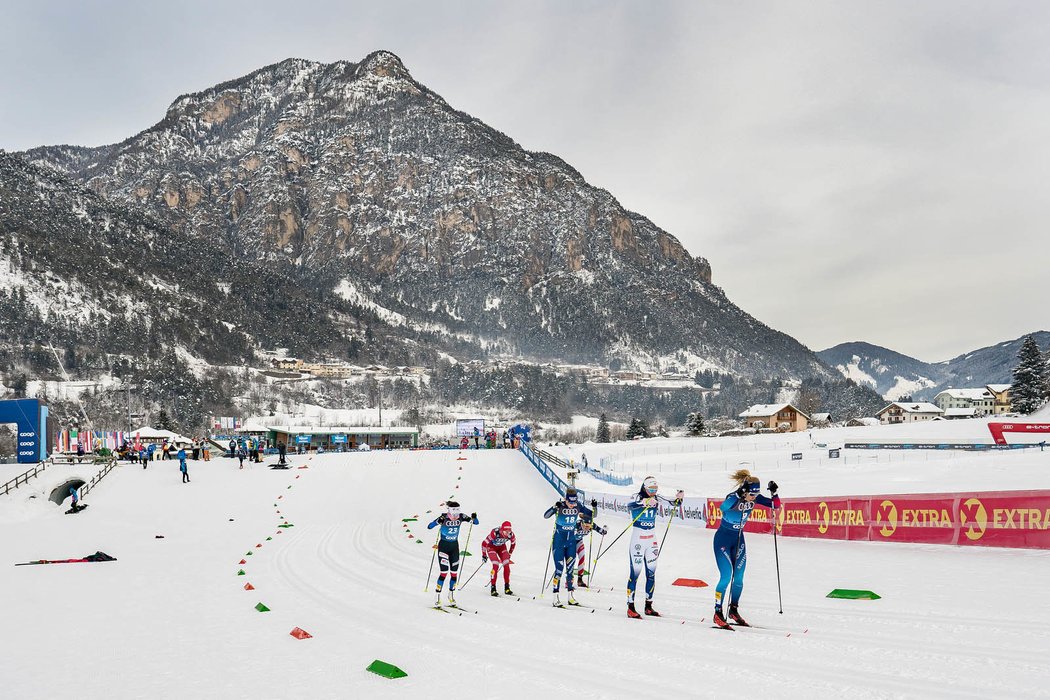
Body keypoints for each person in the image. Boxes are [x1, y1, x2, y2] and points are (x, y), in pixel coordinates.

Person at [711, 469, 780, 630]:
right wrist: (739, 494)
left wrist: (774, 493)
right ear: (744, 491)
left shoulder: (754, 498)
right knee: (726, 576)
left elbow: (775, 505)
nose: (754, 498)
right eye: (751, 495)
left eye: (756, 495)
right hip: (723, 540)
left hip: (739, 540)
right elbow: (723, 508)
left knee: (739, 578)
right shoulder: (733, 497)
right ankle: (717, 612)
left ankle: (734, 610)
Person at [624, 476, 684, 619]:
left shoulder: (657, 498)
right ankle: (630, 607)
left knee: (651, 574)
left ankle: (648, 606)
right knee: (635, 574)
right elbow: (630, 504)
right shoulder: (637, 496)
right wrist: (644, 501)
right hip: (638, 540)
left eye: (655, 490)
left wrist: (679, 499)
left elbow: (673, 503)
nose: (653, 492)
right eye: (651, 489)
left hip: (651, 540)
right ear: (644, 488)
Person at [542, 487, 594, 607]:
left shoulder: (578, 505)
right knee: (559, 570)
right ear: (565, 499)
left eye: (574, 502)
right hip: (559, 541)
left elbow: (591, 515)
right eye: (570, 502)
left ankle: (571, 597)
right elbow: (545, 516)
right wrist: (554, 507)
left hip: (571, 542)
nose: (572, 505)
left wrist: (594, 507)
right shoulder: (560, 505)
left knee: (570, 571)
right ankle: (555, 598)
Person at [426, 502, 478, 606]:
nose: (455, 515)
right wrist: (437, 521)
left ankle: (451, 595)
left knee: (454, 573)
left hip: (454, 547)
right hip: (443, 547)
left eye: (457, 511)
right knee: (444, 572)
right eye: (454, 512)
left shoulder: (462, 516)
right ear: (449, 510)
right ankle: (437, 596)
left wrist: (474, 517)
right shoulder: (443, 517)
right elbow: (429, 526)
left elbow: (475, 523)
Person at [481, 521, 517, 596]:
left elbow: (513, 544)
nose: (507, 533)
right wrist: (484, 555)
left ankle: (507, 588)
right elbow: (484, 543)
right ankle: (493, 588)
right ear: (502, 530)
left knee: (506, 565)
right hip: (491, 548)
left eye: (509, 531)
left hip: (502, 548)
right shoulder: (495, 533)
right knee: (496, 565)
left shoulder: (511, 535)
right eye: (505, 531)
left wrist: (509, 553)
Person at [575, 517, 607, 589]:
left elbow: (600, 530)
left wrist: (604, 531)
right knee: (571, 560)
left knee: (582, 559)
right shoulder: (576, 524)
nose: (587, 528)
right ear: (582, 523)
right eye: (585, 526)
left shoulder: (592, 525)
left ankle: (580, 580)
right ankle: (568, 581)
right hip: (570, 543)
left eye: (589, 526)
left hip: (579, 542)